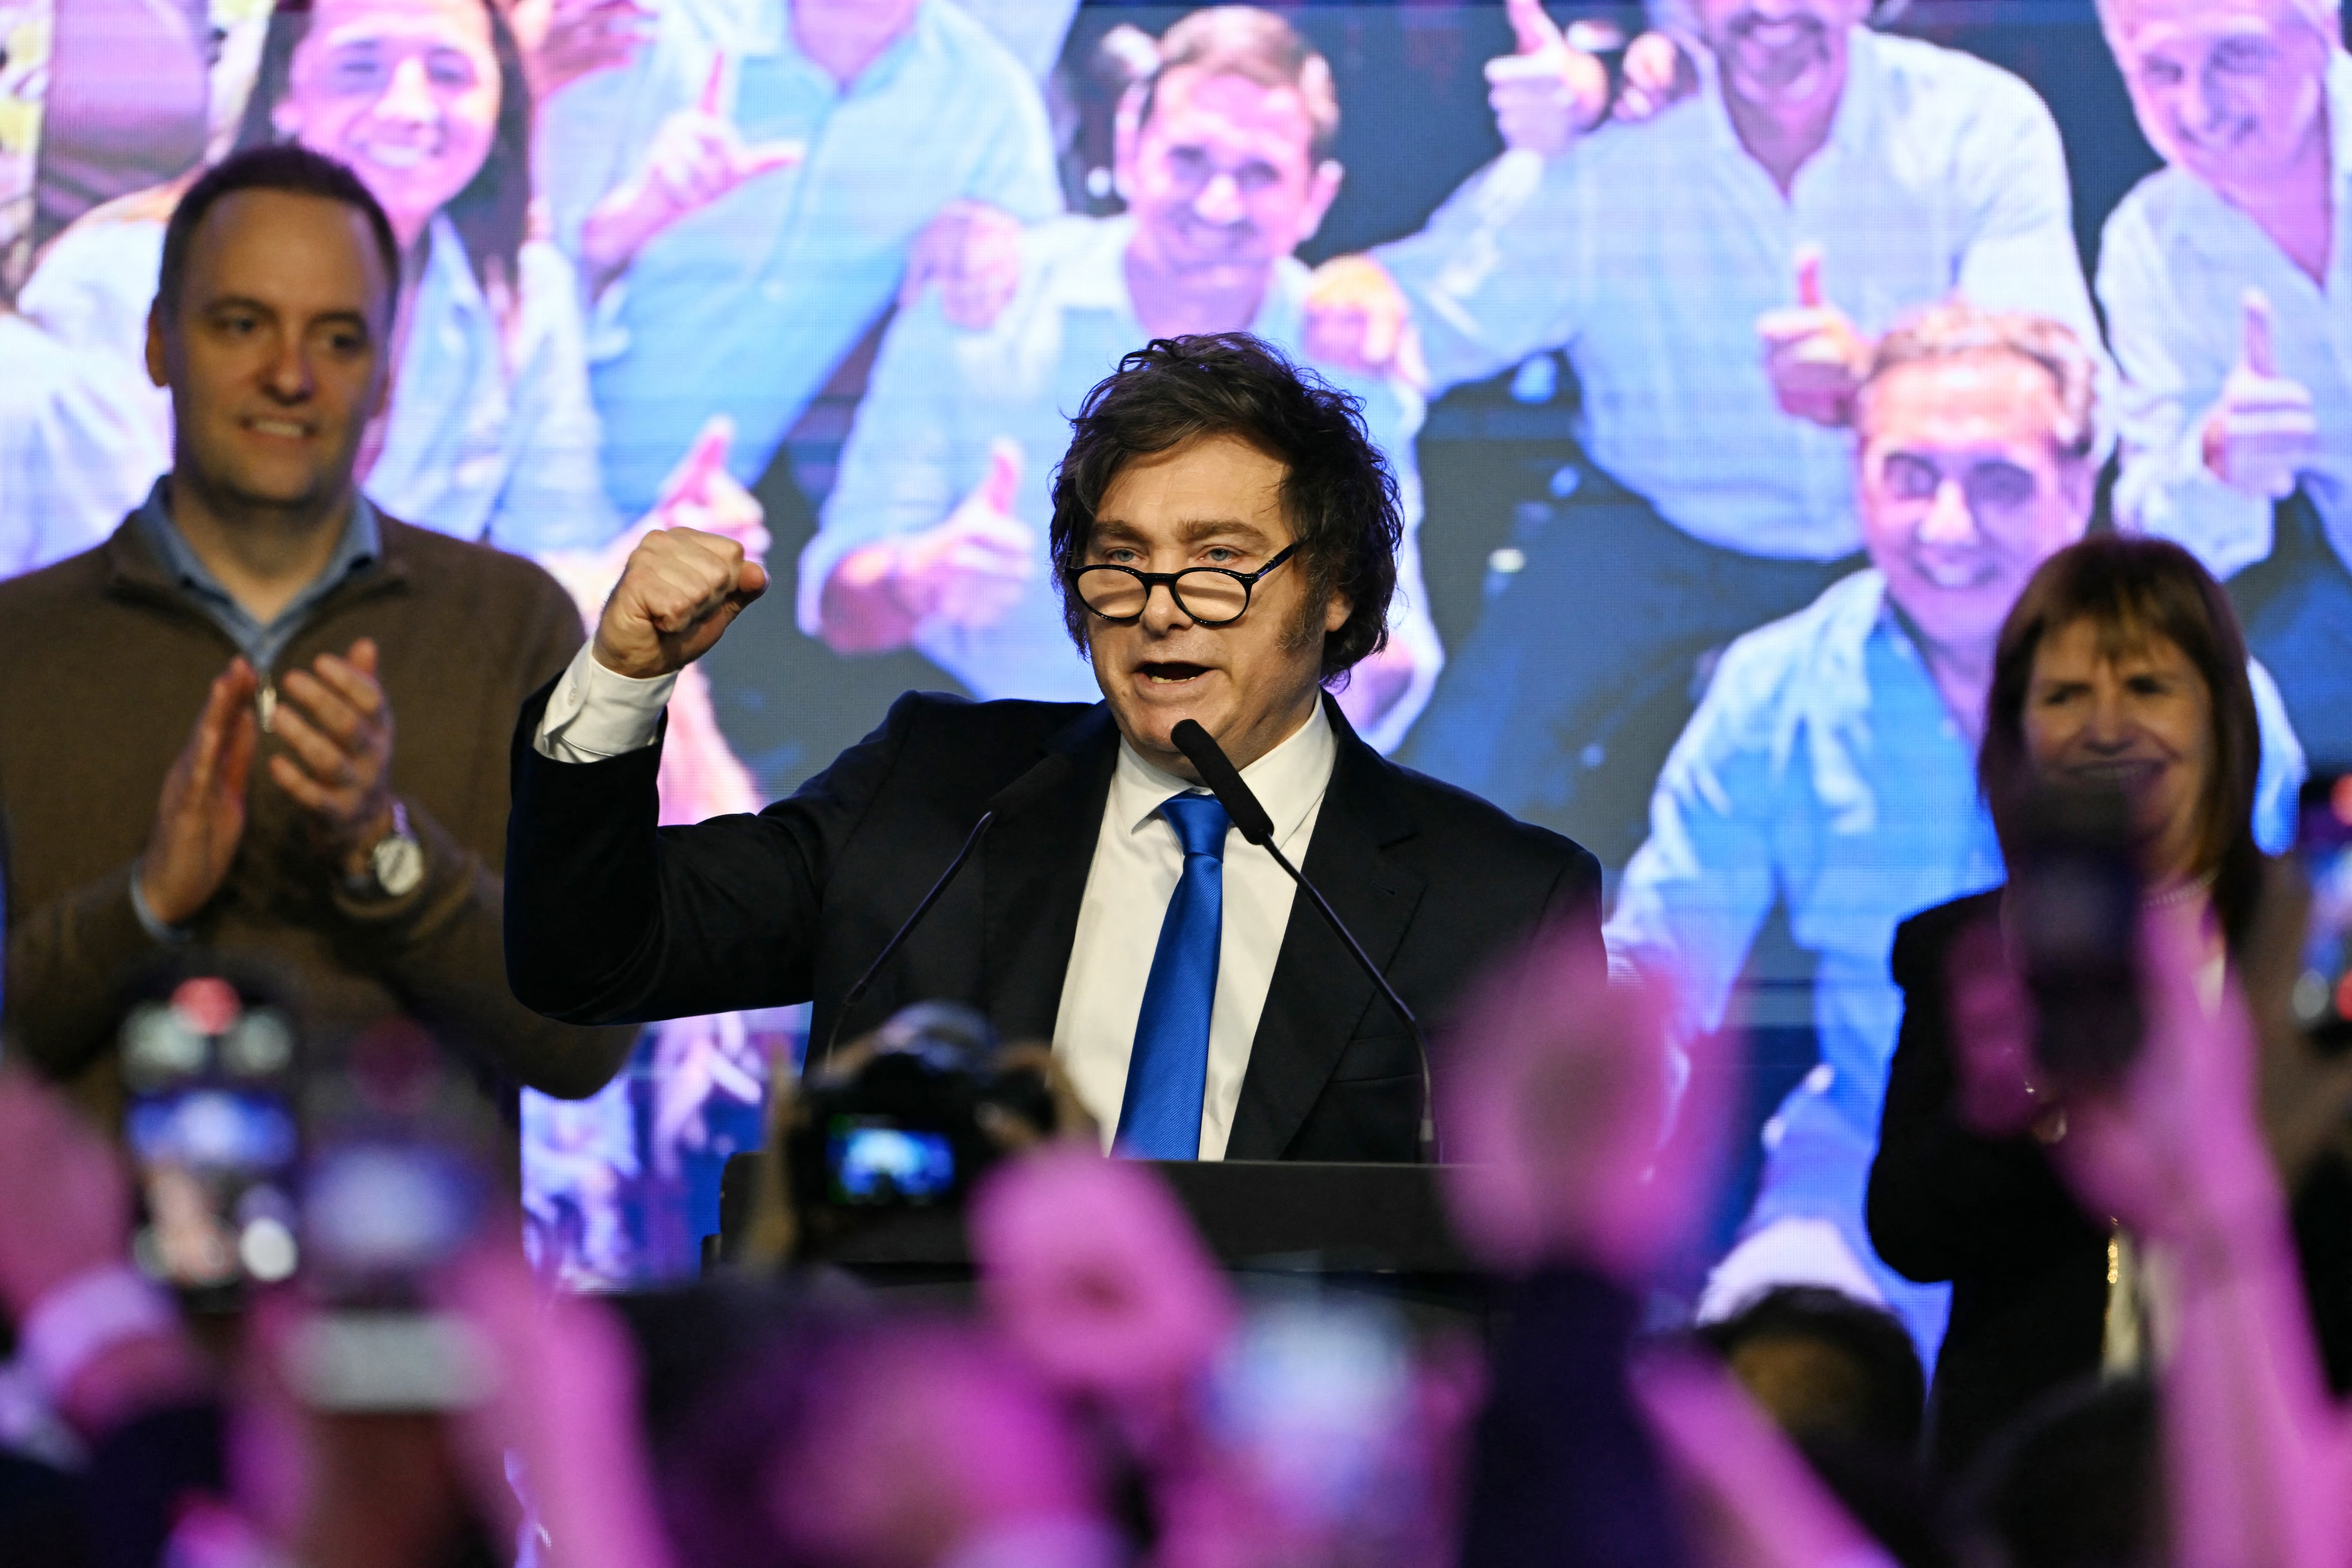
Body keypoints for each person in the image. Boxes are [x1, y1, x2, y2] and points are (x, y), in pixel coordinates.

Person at [509, 333, 1602, 1163]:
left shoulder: (1499, 902)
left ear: (1337, 592)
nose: (1160, 610)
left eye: (1218, 562)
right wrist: (623, 682)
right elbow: (591, 956)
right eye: (1120, 562)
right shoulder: (932, 796)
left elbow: (1539, 1273)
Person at [1605, 307, 2304, 1361]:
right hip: (1862, 1169)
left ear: (2081, 480)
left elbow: (2286, 970)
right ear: (1856, 477)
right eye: (1910, 475)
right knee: (1779, 1388)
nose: (1947, 525)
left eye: (1999, 482)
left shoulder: (2209, 700)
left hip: (2162, 1164)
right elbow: (1663, 960)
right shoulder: (1776, 686)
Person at [1312, 0, 2104, 863]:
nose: (1770, 8)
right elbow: (1425, 305)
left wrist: (1879, 378)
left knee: (2049, 768)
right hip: (1655, 529)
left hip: (1903, 532)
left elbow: (2054, 373)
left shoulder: (1979, 123)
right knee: (1465, 764)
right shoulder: (1620, 151)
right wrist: (1356, 293)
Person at [0, 146, 635, 1130]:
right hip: (104, 1281)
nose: (290, 376)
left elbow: (585, 1038)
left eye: (338, 339)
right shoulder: (20, 648)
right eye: (242, 324)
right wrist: (148, 905)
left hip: (418, 1278)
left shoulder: (514, 625)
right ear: (160, 343)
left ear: (386, 375)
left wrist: (384, 854)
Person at [803, 7, 1443, 751]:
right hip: (984, 771)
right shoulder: (988, 299)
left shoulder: (1347, 358)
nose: (1217, 203)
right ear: (1131, 145)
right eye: (1190, 158)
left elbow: (1393, 655)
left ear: (1315, 198)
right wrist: (922, 577)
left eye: (1260, 172)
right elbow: (835, 607)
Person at [1867, 534, 2352, 1474]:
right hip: (2040, 1481)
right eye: (2062, 697)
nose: (2105, 728)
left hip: (2283, 1463)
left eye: (2146, 688)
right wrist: (2011, 1106)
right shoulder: (1968, 948)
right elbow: (1909, 1230)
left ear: (2220, 713)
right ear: (2015, 736)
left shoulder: (2312, 934)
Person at [8, 0, 715, 558]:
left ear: (505, 93)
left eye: (449, 73)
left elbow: (553, 561)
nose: (407, 109)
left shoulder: (527, 293)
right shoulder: (121, 278)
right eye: (360, 69)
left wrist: (642, 567)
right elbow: (97, 586)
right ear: (286, 90)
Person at [530, 0, 1063, 515]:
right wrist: (630, 223)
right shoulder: (649, 27)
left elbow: (1028, 322)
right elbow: (516, 267)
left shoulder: (988, 105)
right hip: (516, 462)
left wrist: (983, 256)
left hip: (697, 512)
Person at [2095, 0, 2352, 765]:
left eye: (2235, 58)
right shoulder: (2146, 241)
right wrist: (2217, 465)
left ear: (2325, 37)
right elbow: (2160, 539)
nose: (2197, 108)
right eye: (2161, 72)